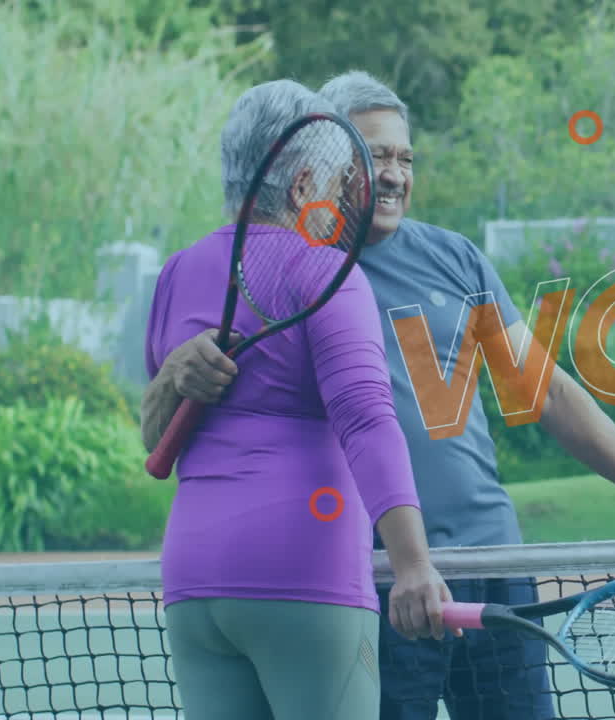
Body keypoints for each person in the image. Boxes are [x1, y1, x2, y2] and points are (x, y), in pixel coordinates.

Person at [142, 70, 615, 720]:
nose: (393, 175)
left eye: (405, 158)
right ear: (328, 164)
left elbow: (546, 390)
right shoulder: (290, 267)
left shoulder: (455, 259)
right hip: (380, 581)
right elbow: (192, 429)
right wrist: (175, 374)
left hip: (493, 565)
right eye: (374, 155)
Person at [140, 79, 455, 720]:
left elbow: (155, 439)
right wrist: (413, 566)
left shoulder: (176, 271)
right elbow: (367, 420)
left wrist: (172, 375)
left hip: (194, 582)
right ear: (305, 183)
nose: (344, 198)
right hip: (304, 572)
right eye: (338, 180)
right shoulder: (328, 271)